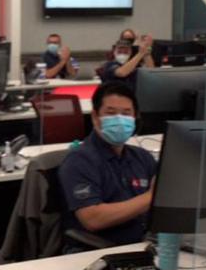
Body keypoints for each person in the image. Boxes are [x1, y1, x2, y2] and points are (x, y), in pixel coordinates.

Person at [58, 82, 157, 248]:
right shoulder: (79, 160)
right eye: (111, 113)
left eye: (127, 113)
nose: (119, 119)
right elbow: (93, 219)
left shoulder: (142, 157)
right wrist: (150, 198)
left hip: (143, 246)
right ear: (95, 117)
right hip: (94, 253)